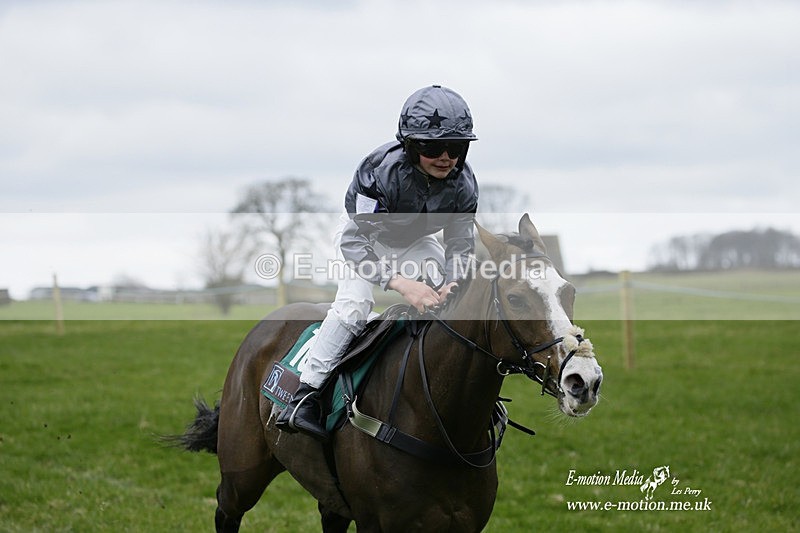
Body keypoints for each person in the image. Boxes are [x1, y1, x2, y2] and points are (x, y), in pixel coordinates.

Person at [276, 85, 479, 441]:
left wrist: (454, 281)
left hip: (415, 240)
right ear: (411, 146)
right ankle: (304, 395)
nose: (446, 157)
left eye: (457, 147)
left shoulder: (464, 185)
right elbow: (355, 242)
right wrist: (401, 283)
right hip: (363, 238)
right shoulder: (379, 172)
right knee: (355, 304)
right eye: (433, 147)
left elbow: (460, 245)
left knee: (445, 296)